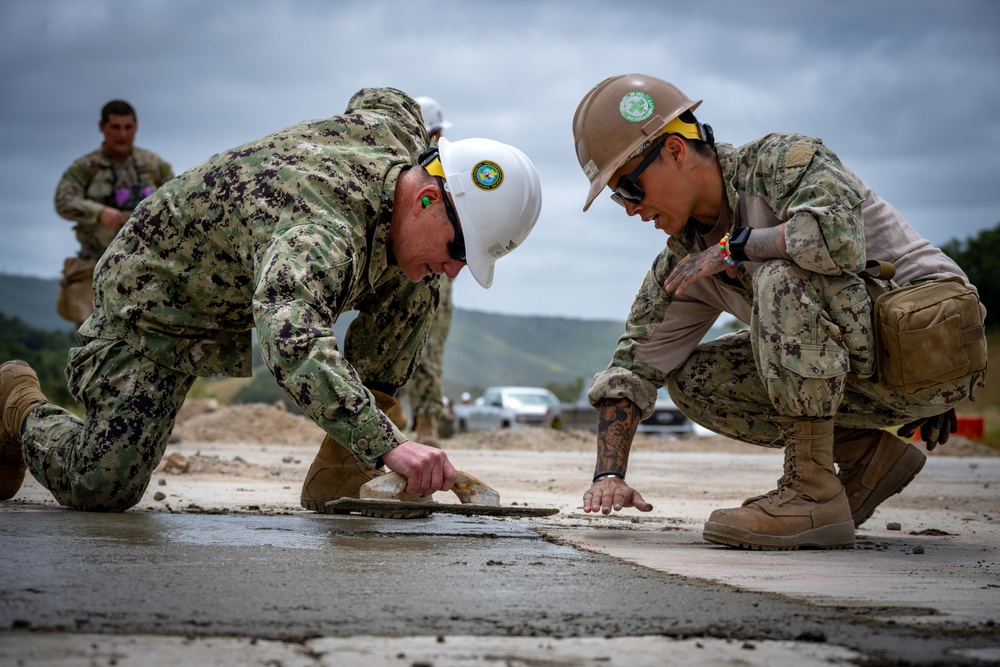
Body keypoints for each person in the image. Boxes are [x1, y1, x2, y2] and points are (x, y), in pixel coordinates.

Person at [0, 88, 542, 515]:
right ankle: (14, 402)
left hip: (244, 267)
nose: (455, 270)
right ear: (426, 197)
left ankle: (341, 468)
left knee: (417, 278)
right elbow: (293, 339)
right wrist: (389, 445)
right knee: (103, 486)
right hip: (159, 298)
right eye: (458, 249)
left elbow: (383, 99)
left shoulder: (403, 148)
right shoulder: (319, 235)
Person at [571, 74, 985, 550]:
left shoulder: (779, 163)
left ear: (675, 151)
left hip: (935, 340)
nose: (629, 209)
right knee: (695, 381)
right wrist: (609, 474)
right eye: (618, 198)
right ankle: (868, 458)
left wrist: (737, 248)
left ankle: (811, 492)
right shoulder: (686, 262)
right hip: (877, 367)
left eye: (629, 188)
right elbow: (632, 367)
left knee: (778, 275)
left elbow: (838, 238)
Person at [54, 100, 174, 328]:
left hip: (144, 267)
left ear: (136, 127)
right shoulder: (86, 168)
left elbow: (175, 201)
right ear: (102, 127)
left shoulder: (154, 166)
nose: (122, 134)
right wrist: (98, 212)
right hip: (96, 266)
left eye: (128, 127)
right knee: (93, 336)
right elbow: (64, 200)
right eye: (116, 127)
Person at [394, 96, 455, 446]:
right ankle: (394, 416)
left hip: (431, 270)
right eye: (434, 132)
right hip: (416, 267)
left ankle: (426, 424)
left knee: (427, 347)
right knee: (405, 341)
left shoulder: (445, 169)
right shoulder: (407, 170)